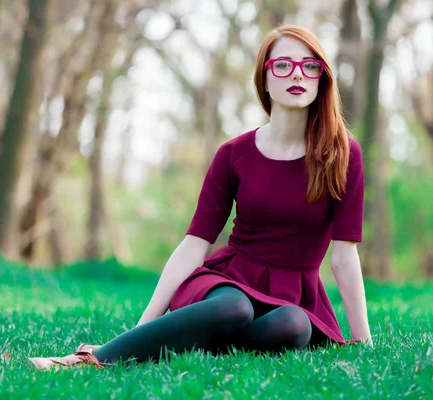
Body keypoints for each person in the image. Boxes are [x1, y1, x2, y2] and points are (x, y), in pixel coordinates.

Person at [28, 24, 372, 370]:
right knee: (234, 309)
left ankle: (198, 344)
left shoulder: (343, 155)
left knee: (293, 326)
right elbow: (195, 244)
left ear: (321, 79)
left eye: (310, 66)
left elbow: (343, 257)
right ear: (264, 79)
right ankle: (92, 358)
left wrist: (365, 341)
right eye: (282, 65)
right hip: (229, 283)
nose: (297, 74)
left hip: (294, 296)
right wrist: (146, 323)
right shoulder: (234, 154)